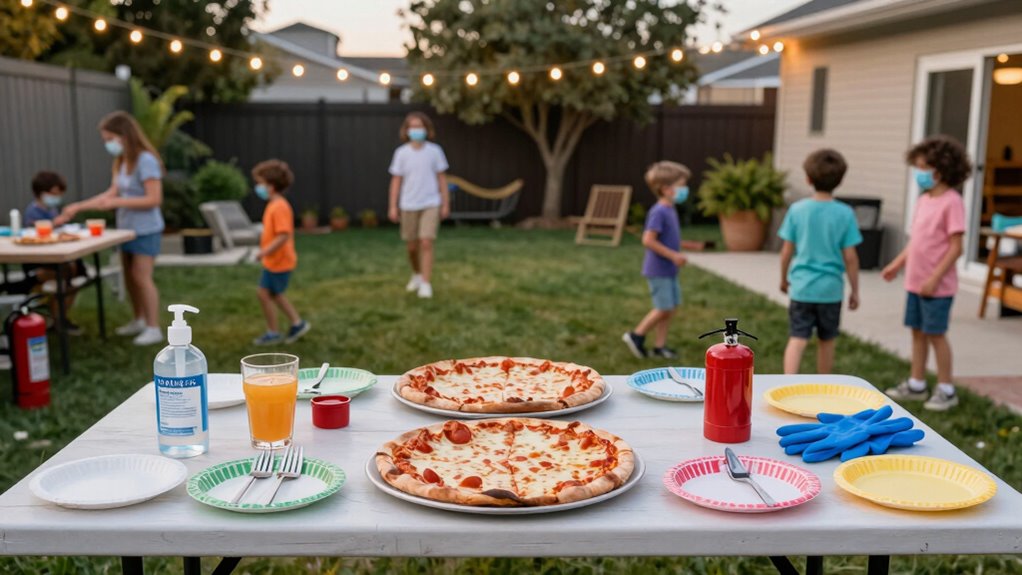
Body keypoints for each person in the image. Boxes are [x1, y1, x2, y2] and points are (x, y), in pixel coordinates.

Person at [882, 135, 971, 411]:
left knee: (936, 334)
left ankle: (946, 389)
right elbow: (916, 242)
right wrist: (897, 264)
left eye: (922, 168)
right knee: (917, 333)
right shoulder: (924, 200)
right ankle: (917, 383)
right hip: (915, 283)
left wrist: (934, 278)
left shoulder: (952, 201)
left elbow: (956, 248)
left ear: (940, 169)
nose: (918, 174)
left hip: (937, 286)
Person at [60, 111, 164, 346]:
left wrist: (117, 203)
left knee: (141, 276)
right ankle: (138, 319)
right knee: (129, 276)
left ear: (124, 135)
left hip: (146, 229)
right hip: (126, 228)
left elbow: (154, 199)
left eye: (109, 139)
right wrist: (78, 207)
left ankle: (153, 327)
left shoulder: (146, 160)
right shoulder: (121, 161)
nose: (108, 144)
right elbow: (111, 194)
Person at [778, 149, 862, 374]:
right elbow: (851, 257)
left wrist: (783, 279)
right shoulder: (845, 214)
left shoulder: (797, 210)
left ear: (808, 179)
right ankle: (824, 386)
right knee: (827, 341)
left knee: (797, 338)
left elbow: (786, 251)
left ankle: (787, 382)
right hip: (831, 291)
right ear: (840, 180)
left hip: (802, 289)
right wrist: (855, 291)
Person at [622, 161, 690, 359]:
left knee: (671, 308)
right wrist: (673, 255)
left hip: (669, 269)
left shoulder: (670, 209)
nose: (685, 189)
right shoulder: (658, 211)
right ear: (666, 189)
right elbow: (648, 239)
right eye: (682, 185)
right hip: (658, 269)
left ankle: (660, 346)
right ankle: (636, 335)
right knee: (663, 308)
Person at [387, 111, 450, 299]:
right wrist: (392, 205)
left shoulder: (435, 151)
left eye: (420, 126)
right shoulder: (401, 153)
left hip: (431, 203)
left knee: (426, 242)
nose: (417, 130)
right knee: (412, 246)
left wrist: (445, 203)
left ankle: (425, 282)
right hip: (408, 204)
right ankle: (416, 273)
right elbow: (396, 181)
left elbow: (442, 180)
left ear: (427, 129)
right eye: (413, 127)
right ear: (407, 131)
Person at [251, 159, 310, 345]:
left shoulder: (279, 207)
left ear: (271, 185)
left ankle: (274, 332)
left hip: (279, 262)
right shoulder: (274, 204)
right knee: (274, 294)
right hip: (275, 261)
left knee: (264, 293)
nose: (257, 187)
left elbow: (283, 235)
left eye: (260, 183)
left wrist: (264, 252)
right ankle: (296, 323)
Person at [23, 171, 84, 334]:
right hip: (40, 264)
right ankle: (58, 321)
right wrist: (54, 223)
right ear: (41, 192)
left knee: (74, 275)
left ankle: (59, 319)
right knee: (68, 276)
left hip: (55, 261)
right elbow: (35, 235)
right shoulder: (33, 211)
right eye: (54, 194)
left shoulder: (51, 209)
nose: (56, 197)